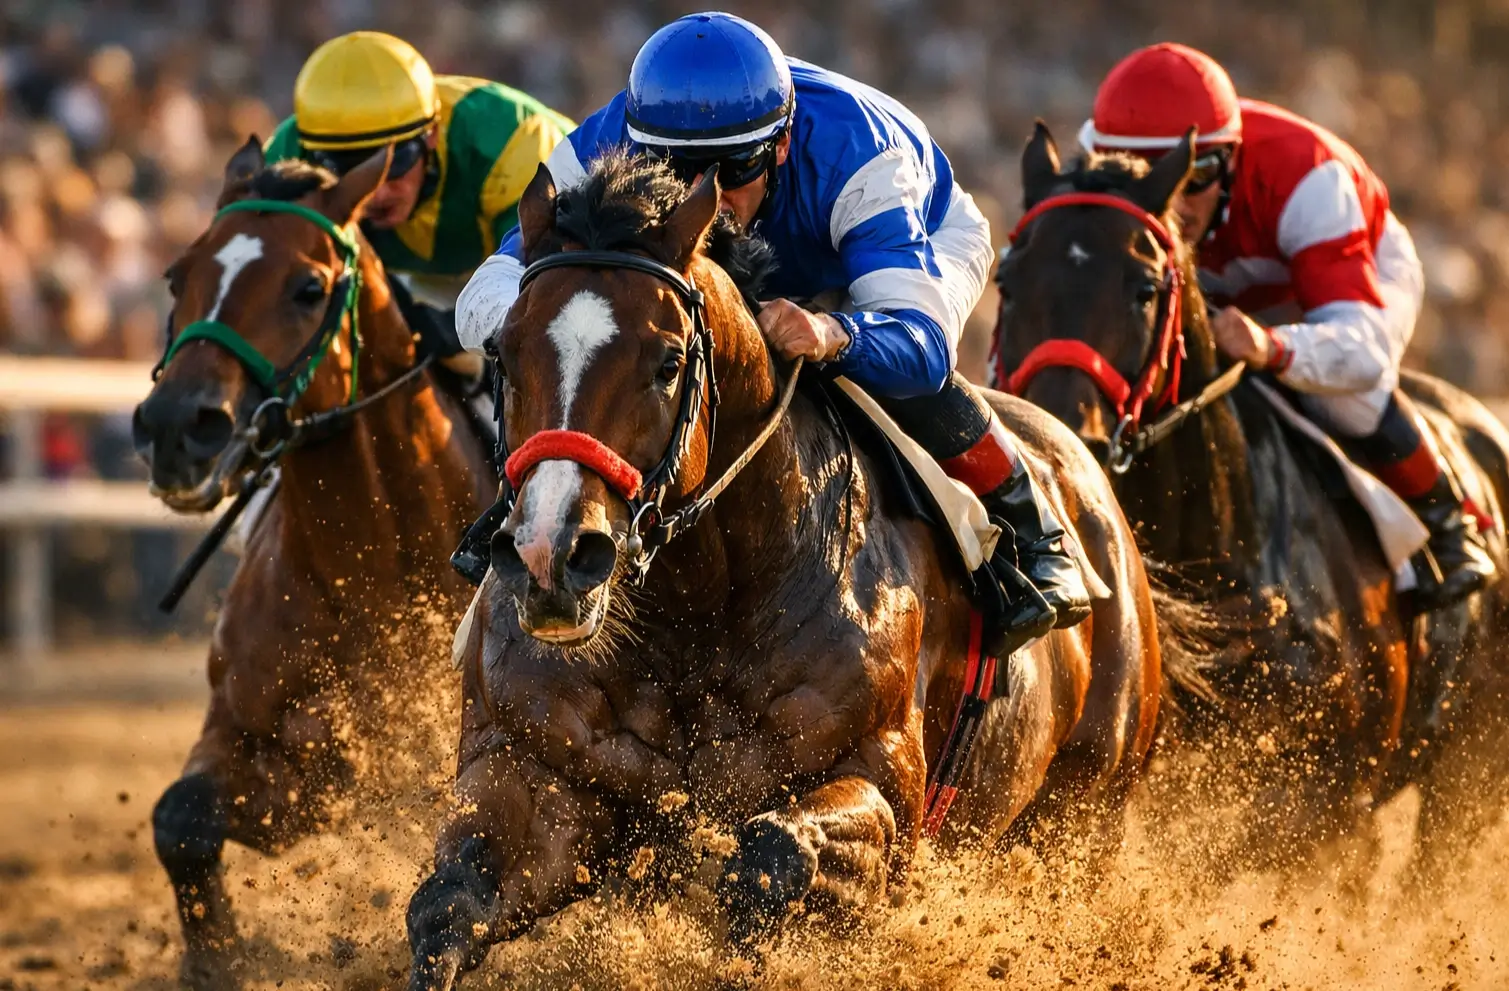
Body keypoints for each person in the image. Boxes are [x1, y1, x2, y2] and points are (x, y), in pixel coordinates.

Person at [454, 11, 1092, 649]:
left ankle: (1030, 524)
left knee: (885, 377)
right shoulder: (605, 145)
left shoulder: (862, 159)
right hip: (739, 263)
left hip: (889, 249)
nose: (707, 195)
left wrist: (833, 331)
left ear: (781, 144)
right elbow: (484, 295)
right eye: (678, 172)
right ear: (645, 149)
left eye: (733, 170)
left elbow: (919, 347)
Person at [1079, 42, 1495, 608]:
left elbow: (1363, 350)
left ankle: (1452, 527)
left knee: (1346, 397)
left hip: (1345, 281)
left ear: (1229, 159)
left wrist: (1271, 347)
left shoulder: (1308, 181)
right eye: (1151, 176)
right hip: (1222, 286)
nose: (1171, 198)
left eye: (1192, 173)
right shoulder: (1098, 160)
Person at [264, 31, 574, 376]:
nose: (377, 191)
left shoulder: (512, 142)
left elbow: (549, 290)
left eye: (395, 162)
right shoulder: (285, 158)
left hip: (549, 267)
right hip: (423, 281)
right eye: (346, 168)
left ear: (431, 136)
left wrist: (454, 333)